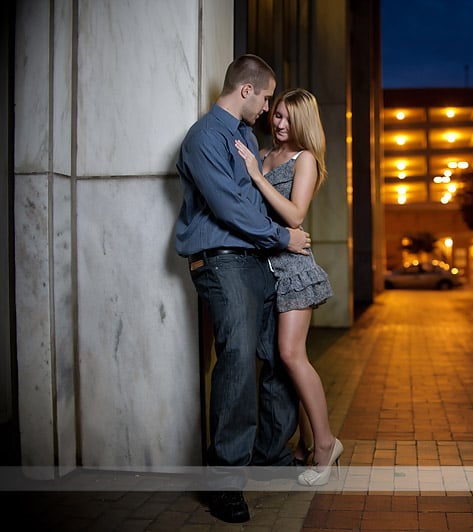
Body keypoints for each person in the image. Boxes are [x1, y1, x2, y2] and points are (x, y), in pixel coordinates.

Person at [174, 55, 312, 523]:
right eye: (268, 97)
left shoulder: (244, 138)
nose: (269, 107)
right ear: (247, 91)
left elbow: (255, 201)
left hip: (256, 262)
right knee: (235, 359)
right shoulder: (205, 138)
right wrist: (284, 237)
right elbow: (230, 208)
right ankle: (226, 482)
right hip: (223, 263)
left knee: (276, 356)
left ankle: (269, 457)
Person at [234, 87, 341, 486]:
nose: (278, 124)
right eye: (276, 115)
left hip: (292, 267)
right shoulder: (261, 154)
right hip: (262, 268)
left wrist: (258, 178)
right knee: (279, 363)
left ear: (303, 122)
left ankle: (326, 445)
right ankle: (306, 441)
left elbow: (295, 216)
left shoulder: (305, 159)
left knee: (291, 356)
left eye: (287, 118)